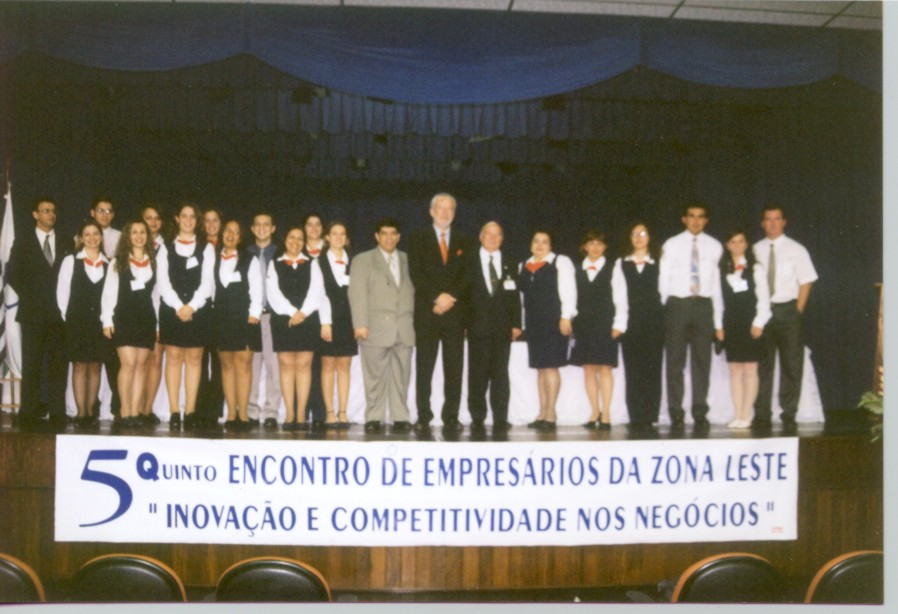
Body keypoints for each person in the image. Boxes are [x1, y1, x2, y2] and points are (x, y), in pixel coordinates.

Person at [408, 193, 472, 433]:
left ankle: (451, 416)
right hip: (428, 312)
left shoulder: (465, 241)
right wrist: (437, 297)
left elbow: (468, 275)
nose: (445, 213)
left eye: (450, 209)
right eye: (441, 208)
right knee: (424, 368)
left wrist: (448, 298)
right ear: (431, 211)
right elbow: (416, 273)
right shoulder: (417, 239)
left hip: (455, 315)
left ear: (454, 213)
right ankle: (423, 415)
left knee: (454, 369)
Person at [752, 205, 818, 432]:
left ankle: (788, 412)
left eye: (776, 219)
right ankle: (762, 413)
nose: (772, 223)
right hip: (762, 312)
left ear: (784, 222)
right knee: (763, 365)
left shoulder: (796, 249)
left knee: (791, 364)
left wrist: (797, 311)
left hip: (788, 311)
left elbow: (806, 281)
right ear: (762, 223)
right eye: (768, 219)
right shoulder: (755, 250)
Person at [8, 198, 71, 430]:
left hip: (59, 314)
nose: (51, 214)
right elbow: (13, 273)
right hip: (32, 314)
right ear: (35, 214)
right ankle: (28, 411)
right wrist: (32, 295)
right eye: (46, 211)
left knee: (58, 365)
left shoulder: (65, 241)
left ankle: (57, 412)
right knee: (32, 364)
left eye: (53, 211)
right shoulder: (23, 241)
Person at [659, 203, 723, 430]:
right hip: (678, 305)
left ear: (706, 220)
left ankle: (699, 412)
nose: (696, 221)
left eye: (700, 217)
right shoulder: (671, 244)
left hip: (703, 306)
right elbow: (663, 280)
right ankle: (676, 412)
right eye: (692, 216)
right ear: (684, 219)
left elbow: (716, 286)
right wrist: (665, 309)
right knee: (675, 362)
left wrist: (718, 322)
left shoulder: (715, 246)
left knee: (702, 363)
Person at [348, 217, 415, 434]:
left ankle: (400, 417)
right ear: (377, 236)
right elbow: (357, 293)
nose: (389, 238)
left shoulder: (409, 259)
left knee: (402, 376)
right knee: (374, 377)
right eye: (384, 234)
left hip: (404, 328)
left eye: (393, 234)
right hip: (375, 328)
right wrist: (360, 324)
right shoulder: (363, 260)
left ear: (398, 237)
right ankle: (373, 417)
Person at [156, 202, 215, 430]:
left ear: (196, 221)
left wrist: (191, 307)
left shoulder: (206, 248)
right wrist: (179, 306)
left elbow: (207, 283)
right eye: (184, 216)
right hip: (172, 310)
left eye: (192, 217)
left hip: (197, 311)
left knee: (194, 359)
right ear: (177, 219)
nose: (188, 220)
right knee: (173, 358)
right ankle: (174, 410)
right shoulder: (165, 248)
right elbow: (163, 282)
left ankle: (190, 411)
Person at [266, 225, 325, 431]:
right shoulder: (274, 264)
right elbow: (273, 293)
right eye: (292, 237)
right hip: (283, 319)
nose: (296, 242)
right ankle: (290, 413)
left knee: (303, 365)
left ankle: (301, 414)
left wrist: (302, 313)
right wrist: (292, 312)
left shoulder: (312, 263)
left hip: (307, 319)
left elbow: (317, 291)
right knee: (286, 365)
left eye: (300, 238)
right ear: (285, 240)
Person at [517, 229, 577, 431]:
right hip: (534, 323)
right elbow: (522, 299)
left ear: (551, 246)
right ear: (530, 245)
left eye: (545, 242)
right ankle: (542, 413)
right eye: (536, 241)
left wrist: (566, 316)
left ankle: (551, 414)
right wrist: (523, 323)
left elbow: (569, 291)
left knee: (551, 367)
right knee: (541, 368)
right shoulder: (523, 266)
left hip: (554, 322)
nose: (540, 245)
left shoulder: (560, 262)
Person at [101, 220, 158, 429]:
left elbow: (156, 296)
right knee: (128, 364)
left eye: (143, 232)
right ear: (128, 236)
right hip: (124, 318)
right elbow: (108, 293)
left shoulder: (153, 262)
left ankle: (135, 411)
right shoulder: (118, 262)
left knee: (142, 366)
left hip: (146, 319)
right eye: (134, 232)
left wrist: (157, 325)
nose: (139, 236)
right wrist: (107, 320)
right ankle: (125, 411)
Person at [465, 221, 521, 433]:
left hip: (502, 328)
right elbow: (463, 295)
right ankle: (477, 418)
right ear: (481, 237)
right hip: (476, 327)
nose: (493, 238)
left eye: (497, 234)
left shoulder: (510, 261)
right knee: (477, 375)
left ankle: (500, 418)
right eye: (489, 234)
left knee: (500, 375)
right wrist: (464, 324)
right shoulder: (469, 259)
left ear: (502, 239)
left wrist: (516, 323)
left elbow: (514, 296)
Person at [57, 220, 112, 429]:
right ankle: (81, 412)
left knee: (96, 365)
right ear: (81, 238)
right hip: (77, 321)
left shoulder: (109, 264)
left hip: (99, 322)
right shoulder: (71, 261)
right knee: (79, 365)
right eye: (87, 234)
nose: (91, 238)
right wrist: (68, 318)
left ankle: (90, 411)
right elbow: (62, 292)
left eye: (95, 234)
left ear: (101, 237)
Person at [570, 229, 628, 430]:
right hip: (584, 325)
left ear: (605, 247)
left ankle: (607, 415)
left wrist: (619, 324)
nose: (595, 247)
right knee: (588, 369)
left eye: (600, 244)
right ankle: (594, 412)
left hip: (605, 325)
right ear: (585, 246)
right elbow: (570, 298)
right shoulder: (576, 269)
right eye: (591, 243)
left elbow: (621, 299)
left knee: (604, 368)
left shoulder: (613, 269)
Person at [214, 220, 263, 432]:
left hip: (245, 318)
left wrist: (254, 314)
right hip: (222, 319)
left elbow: (257, 289)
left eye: (235, 231)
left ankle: (243, 413)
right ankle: (231, 414)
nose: (231, 234)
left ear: (241, 237)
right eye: (228, 230)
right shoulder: (213, 258)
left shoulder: (249, 259)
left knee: (243, 365)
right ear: (222, 233)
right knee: (227, 366)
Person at [720, 229, 772, 429]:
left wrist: (759, 322)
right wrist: (719, 325)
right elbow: (718, 299)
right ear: (727, 245)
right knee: (735, 370)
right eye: (732, 241)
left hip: (751, 323)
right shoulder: (722, 269)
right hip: (731, 323)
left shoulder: (755, 268)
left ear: (746, 244)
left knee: (750, 368)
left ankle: (747, 413)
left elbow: (764, 298)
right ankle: (737, 413)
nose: (737, 245)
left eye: (740, 241)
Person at [617, 222, 664, 431]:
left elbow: (664, 292)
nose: (638, 237)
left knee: (652, 369)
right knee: (633, 369)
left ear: (650, 237)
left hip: (654, 322)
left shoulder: (659, 262)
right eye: (634, 234)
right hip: (631, 323)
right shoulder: (622, 263)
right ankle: (636, 416)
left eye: (643, 233)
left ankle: (650, 415)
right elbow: (619, 295)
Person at [318, 221, 356, 429]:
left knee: (344, 366)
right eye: (334, 233)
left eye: (342, 233)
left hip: (349, 320)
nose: (339, 237)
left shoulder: (354, 261)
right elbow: (320, 294)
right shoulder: (319, 261)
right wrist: (326, 322)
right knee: (328, 365)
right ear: (327, 237)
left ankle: (343, 411)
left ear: (347, 238)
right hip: (328, 321)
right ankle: (330, 412)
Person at [246, 211, 281, 430]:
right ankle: (250, 410)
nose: (262, 228)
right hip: (251, 316)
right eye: (257, 224)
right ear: (252, 229)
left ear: (273, 228)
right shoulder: (244, 254)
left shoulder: (281, 252)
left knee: (273, 366)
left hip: (273, 316)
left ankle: (271, 412)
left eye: (266, 224)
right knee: (251, 366)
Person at [88, 197, 122, 420]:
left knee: (112, 359)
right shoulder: (84, 235)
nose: (104, 214)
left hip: (112, 304)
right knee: (90, 360)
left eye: (109, 211)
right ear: (92, 212)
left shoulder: (120, 237)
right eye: (100, 210)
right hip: (89, 305)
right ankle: (90, 405)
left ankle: (118, 404)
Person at [197, 207, 224, 429]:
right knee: (198, 362)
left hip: (221, 312)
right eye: (207, 220)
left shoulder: (228, 247)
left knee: (218, 363)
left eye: (215, 220)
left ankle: (214, 411)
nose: (211, 225)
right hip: (201, 310)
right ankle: (198, 409)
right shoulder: (195, 248)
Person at [140, 203, 165, 425]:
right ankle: (134, 407)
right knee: (140, 360)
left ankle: (147, 409)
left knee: (156, 359)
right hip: (138, 311)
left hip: (160, 310)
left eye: (157, 218)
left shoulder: (167, 247)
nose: (153, 222)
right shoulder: (134, 245)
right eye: (149, 218)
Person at [302, 212, 327, 427]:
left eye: (317, 224)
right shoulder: (296, 249)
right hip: (305, 315)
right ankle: (301, 411)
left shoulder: (332, 250)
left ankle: (319, 413)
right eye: (309, 224)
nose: (313, 228)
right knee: (304, 366)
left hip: (326, 317)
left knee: (320, 367)